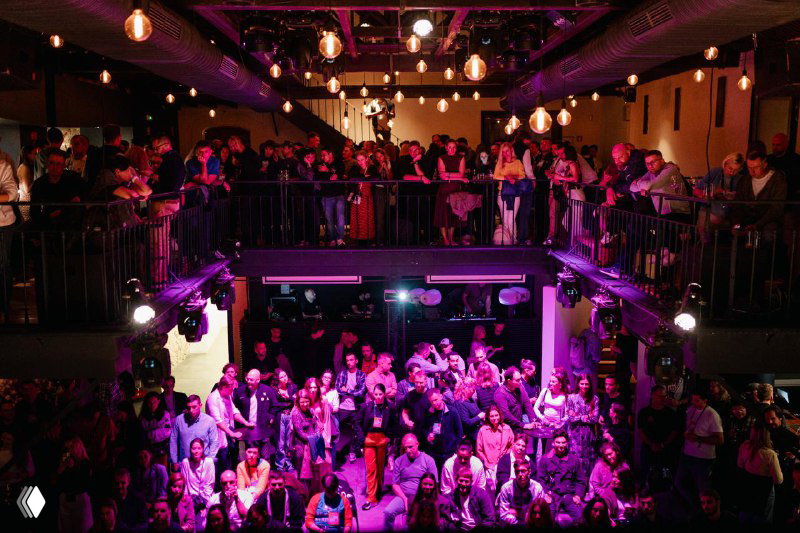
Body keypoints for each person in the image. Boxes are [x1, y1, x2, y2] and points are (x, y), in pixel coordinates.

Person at [674, 386, 724, 512]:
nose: (694, 403)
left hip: (703, 458)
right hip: (687, 454)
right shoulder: (690, 409)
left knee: (703, 489)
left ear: (705, 401)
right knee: (679, 482)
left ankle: (706, 512)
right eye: (693, 400)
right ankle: (696, 508)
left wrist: (698, 439)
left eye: (697, 400)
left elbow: (720, 440)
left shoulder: (712, 415)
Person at [384, 434, 439, 530]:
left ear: (417, 444)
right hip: (403, 495)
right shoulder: (399, 461)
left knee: (409, 524)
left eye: (410, 447)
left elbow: (434, 483)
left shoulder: (428, 460)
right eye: (405, 448)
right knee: (388, 512)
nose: (408, 450)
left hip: (421, 496)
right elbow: (395, 484)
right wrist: (404, 499)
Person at [537, 430, 586, 526]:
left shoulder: (574, 459)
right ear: (553, 443)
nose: (561, 445)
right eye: (558, 442)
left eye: (563, 442)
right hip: (552, 495)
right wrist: (545, 494)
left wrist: (578, 495)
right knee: (548, 519)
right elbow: (540, 480)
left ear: (567, 443)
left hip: (569, 495)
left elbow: (580, 481)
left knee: (581, 518)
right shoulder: (545, 459)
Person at [732, 150, 788, 234]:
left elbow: (777, 208)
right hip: (746, 219)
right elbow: (737, 204)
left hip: (768, 221)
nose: (752, 171)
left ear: (764, 165)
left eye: (756, 167)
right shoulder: (745, 180)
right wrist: (736, 224)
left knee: (769, 233)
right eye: (749, 168)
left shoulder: (777, 180)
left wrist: (758, 225)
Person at [207, 376, 255, 474]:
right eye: (231, 388)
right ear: (224, 387)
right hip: (218, 435)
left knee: (231, 461)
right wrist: (231, 433)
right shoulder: (213, 398)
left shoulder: (227, 395)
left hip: (228, 432)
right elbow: (217, 421)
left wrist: (245, 422)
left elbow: (234, 411)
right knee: (222, 464)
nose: (233, 390)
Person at [738, 423, 784, 523]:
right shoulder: (770, 454)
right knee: (762, 519)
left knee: (746, 514)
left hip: (747, 485)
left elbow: (740, 464)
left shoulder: (744, 446)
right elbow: (778, 480)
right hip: (764, 490)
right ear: (767, 434)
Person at [693, 152, 745, 239]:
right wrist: (714, 192)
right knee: (705, 228)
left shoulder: (740, 179)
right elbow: (696, 190)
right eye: (730, 168)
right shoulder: (715, 172)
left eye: (736, 170)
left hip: (728, 214)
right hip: (709, 211)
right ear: (725, 164)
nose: (732, 172)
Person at [360, 383, 395, 510]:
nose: (378, 397)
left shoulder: (390, 407)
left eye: (380, 394)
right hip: (369, 439)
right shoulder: (366, 407)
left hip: (382, 439)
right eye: (376, 394)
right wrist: (362, 439)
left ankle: (378, 490)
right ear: (372, 395)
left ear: (384, 394)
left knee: (380, 469)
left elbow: (393, 423)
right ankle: (371, 498)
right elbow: (357, 423)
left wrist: (389, 437)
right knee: (370, 469)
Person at [637, 385, 680, 488]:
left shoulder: (671, 413)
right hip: (648, 449)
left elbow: (674, 431)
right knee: (646, 474)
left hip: (665, 450)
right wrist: (651, 444)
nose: (662, 399)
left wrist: (663, 444)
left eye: (664, 396)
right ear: (652, 395)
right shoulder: (644, 412)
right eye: (659, 396)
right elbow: (641, 431)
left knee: (665, 476)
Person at [630, 149, 690, 220]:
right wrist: (645, 187)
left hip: (678, 212)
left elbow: (650, 185)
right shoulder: (651, 172)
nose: (650, 166)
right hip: (662, 213)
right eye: (647, 164)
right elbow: (631, 187)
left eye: (653, 162)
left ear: (662, 161)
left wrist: (639, 183)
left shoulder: (670, 169)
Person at [234, 369, 277, 459]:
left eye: (251, 380)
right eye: (247, 379)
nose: (248, 382)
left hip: (263, 429)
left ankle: (264, 472)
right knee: (250, 456)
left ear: (258, 380)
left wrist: (271, 417)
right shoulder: (240, 391)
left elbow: (274, 406)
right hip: (248, 430)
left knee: (265, 457)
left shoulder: (268, 390)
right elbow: (235, 408)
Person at [544, 144, 582, 246]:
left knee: (575, 221)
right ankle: (572, 245)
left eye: (562, 153)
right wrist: (559, 177)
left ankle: (575, 246)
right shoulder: (569, 164)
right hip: (570, 194)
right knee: (568, 221)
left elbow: (575, 179)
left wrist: (560, 178)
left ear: (567, 153)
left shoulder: (573, 163)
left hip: (576, 193)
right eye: (559, 154)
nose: (560, 156)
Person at [335, 352, 367, 467]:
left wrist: (348, 391)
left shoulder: (362, 375)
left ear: (356, 361)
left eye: (351, 360)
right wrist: (349, 391)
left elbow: (361, 392)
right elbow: (337, 390)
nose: (349, 362)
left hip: (355, 408)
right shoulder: (342, 374)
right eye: (347, 360)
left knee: (358, 433)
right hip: (343, 407)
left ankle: (353, 450)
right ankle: (335, 454)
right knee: (337, 431)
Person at [434, 139, 468, 246]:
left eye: (454, 147)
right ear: (446, 147)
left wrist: (450, 176)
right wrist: (457, 176)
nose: (452, 149)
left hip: (455, 189)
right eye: (450, 147)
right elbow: (442, 176)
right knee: (443, 215)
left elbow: (461, 174)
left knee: (453, 215)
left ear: (456, 148)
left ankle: (451, 238)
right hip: (444, 190)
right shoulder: (441, 158)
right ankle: (445, 239)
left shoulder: (461, 158)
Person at [56, 437, 93, 533]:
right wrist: (62, 466)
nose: (70, 450)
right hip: (65, 499)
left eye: (72, 447)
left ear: (79, 447)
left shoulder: (85, 463)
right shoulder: (65, 460)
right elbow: (57, 478)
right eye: (67, 448)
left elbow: (83, 483)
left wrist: (72, 468)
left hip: (79, 499)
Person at [420, 388, 463, 470]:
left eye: (435, 400)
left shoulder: (452, 411)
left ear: (441, 396)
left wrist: (455, 450)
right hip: (434, 453)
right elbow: (423, 429)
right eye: (431, 401)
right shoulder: (428, 413)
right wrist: (427, 436)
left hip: (450, 453)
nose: (434, 403)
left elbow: (459, 432)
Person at [566, 373, 599, 478]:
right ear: (578, 384)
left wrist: (578, 416)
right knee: (575, 458)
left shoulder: (594, 399)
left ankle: (587, 485)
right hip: (574, 434)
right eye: (582, 383)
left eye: (587, 384)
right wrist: (584, 417)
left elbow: (595, 418)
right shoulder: (571, 398)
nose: (584, 386)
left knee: (589, 460)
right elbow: (570, 418)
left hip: (589, 435)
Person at [170, 395, 219, 464]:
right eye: (188, 407)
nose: (191, 410)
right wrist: (174, 461)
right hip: (184, 463)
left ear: (200, 405)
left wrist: (209, 461)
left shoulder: (209, 421)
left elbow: (214, 442)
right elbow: (173, 441)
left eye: (194, 407)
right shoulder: (179, 420)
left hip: (203, 463)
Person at [476, 405, 514, 492]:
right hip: (489, 466)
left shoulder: (507, 428)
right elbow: (479, 449)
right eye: (492, 416)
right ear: (488, 417)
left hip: (503, 466)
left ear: (500, 415)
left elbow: (511, 445)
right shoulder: (483, 430)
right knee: (491, 491)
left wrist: (505, 458)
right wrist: (487, 463)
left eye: (496, 415)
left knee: (503, 490)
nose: (494, 418)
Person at [493, 142, 525, 244]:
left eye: (507, 151)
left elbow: (522, 176)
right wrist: (506, 177)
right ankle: (507, 241)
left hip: (515, 194)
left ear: (511, 150)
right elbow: (495, 176)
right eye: (503, 152)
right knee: (504, 219)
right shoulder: (500, 163)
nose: (505, 154)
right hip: (502, 193)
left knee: (511, 218)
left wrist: (513, 177)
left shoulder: (518, 162)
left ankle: (513, 240)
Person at [496, 459, 544, 525]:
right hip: (512, 527)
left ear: (529, 471)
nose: (520, 474)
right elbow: (503, 515)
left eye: (523, 471)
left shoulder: (537, 488)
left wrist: (518, 514)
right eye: (517, 472)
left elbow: (540, 513)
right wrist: (519, 523)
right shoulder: (506, 488)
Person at [532, 369, 569, 453]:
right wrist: (542, 418)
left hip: (557, 427)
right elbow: (535, 407)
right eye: (550, 381)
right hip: (545, 424)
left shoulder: (564, 396)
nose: (550, 383)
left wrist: (559, 422)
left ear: (560, 384)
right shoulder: (545, 391)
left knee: (557, 449)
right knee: (544, 449)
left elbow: (567, 415)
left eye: (553, 382)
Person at [318, 147, 348, 247]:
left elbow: (338, 176)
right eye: (321, 155)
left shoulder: (339, 163)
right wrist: (330, 175)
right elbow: (324, 179)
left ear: (330, 154)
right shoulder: (321, 164)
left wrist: (328, 172)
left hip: (339, 194)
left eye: (324, 155)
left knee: (340, 217)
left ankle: (340, 238)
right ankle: (332, 238)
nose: (322, 157)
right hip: (326, 195)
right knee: (329, 219)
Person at [348, 151, 377, 245]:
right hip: (357, 195)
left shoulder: (372, 168)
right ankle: (356, 238)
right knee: (355, 217)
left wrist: (361, 178)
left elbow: (376, 178)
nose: (360, 162)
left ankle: (367, 239)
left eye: (362, 160)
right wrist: (364, 177)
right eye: (358, 160)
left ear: (367, 159)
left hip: (367, 196)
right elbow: (351, 178)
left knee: (366, 217)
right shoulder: (355, 168)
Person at [180, 437, 215, 507]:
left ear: (203, 450)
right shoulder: (185, 462)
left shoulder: (209, 462)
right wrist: (186, 501)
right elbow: (184, 485)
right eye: (194, 448)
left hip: (205, 498)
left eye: (199, 448)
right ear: (190, 450)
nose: (196, 451)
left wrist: (204, 502)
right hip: (190, 498)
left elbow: (210, 485)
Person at [139, 391, 172, 457]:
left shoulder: (165, 414)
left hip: (162, 446)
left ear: (158, 401)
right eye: (149, 403)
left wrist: (149, 434)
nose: (152, 405)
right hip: (147, 447)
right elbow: (141, 432)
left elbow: (166, 432)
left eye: (154, 402)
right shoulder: (143, 416)